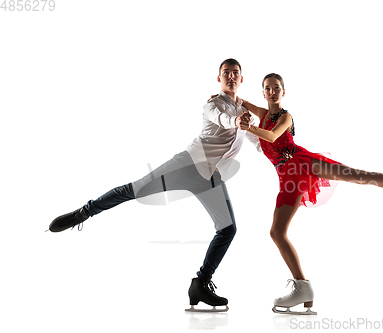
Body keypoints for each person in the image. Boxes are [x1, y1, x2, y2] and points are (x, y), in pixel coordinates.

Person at [48, 59, 258, 312]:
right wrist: (236, 122)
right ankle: (85, 211)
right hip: (188, 165)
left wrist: (281, 145)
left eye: (236, 73)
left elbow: (259, 141)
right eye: (227, 73)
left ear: (242, 79)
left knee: (228, 229)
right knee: (134, 190)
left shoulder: (245, 112)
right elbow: (223, 118)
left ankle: (201, 284)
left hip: (212, 177)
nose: (231, 76)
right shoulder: (213, 104)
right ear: (219, 78)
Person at [240, 73, 383, 315]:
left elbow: (271, 136)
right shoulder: (262, 113)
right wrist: (224, 98)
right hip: (286, 177)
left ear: (283, 91)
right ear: (263, 93)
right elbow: (241, 101)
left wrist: (249, 127)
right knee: (277, 233)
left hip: (303, 163)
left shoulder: (285, 117)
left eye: (277, 87)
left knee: (360, 176)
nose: (272, 92)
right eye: (267, 88)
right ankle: (303, 286)